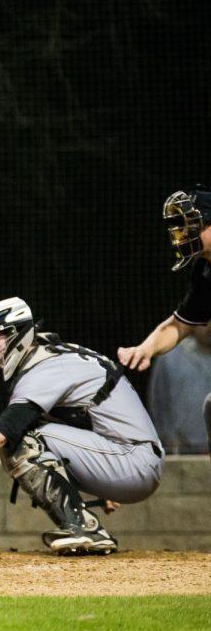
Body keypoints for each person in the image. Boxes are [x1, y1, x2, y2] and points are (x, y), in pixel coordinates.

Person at [0, 297, 163, 555]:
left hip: (132, 460)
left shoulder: (47, 367)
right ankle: (81, 523)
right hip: (127, 458)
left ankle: (85, 529)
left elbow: (1, 433)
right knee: (25, 435)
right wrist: (105, 479)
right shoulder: (52, 355)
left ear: (18, 335)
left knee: (21, 441)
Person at [119, 185, 211, 447]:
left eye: (193, 224)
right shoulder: (205, 270)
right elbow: (179, 325)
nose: (183, 233)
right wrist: (145, 349)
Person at [147, 324, 211, 453]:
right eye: (204, 320)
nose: (209, 326)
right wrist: (167, 437)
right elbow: (157, 401)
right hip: (182, 449)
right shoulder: (169, 356)